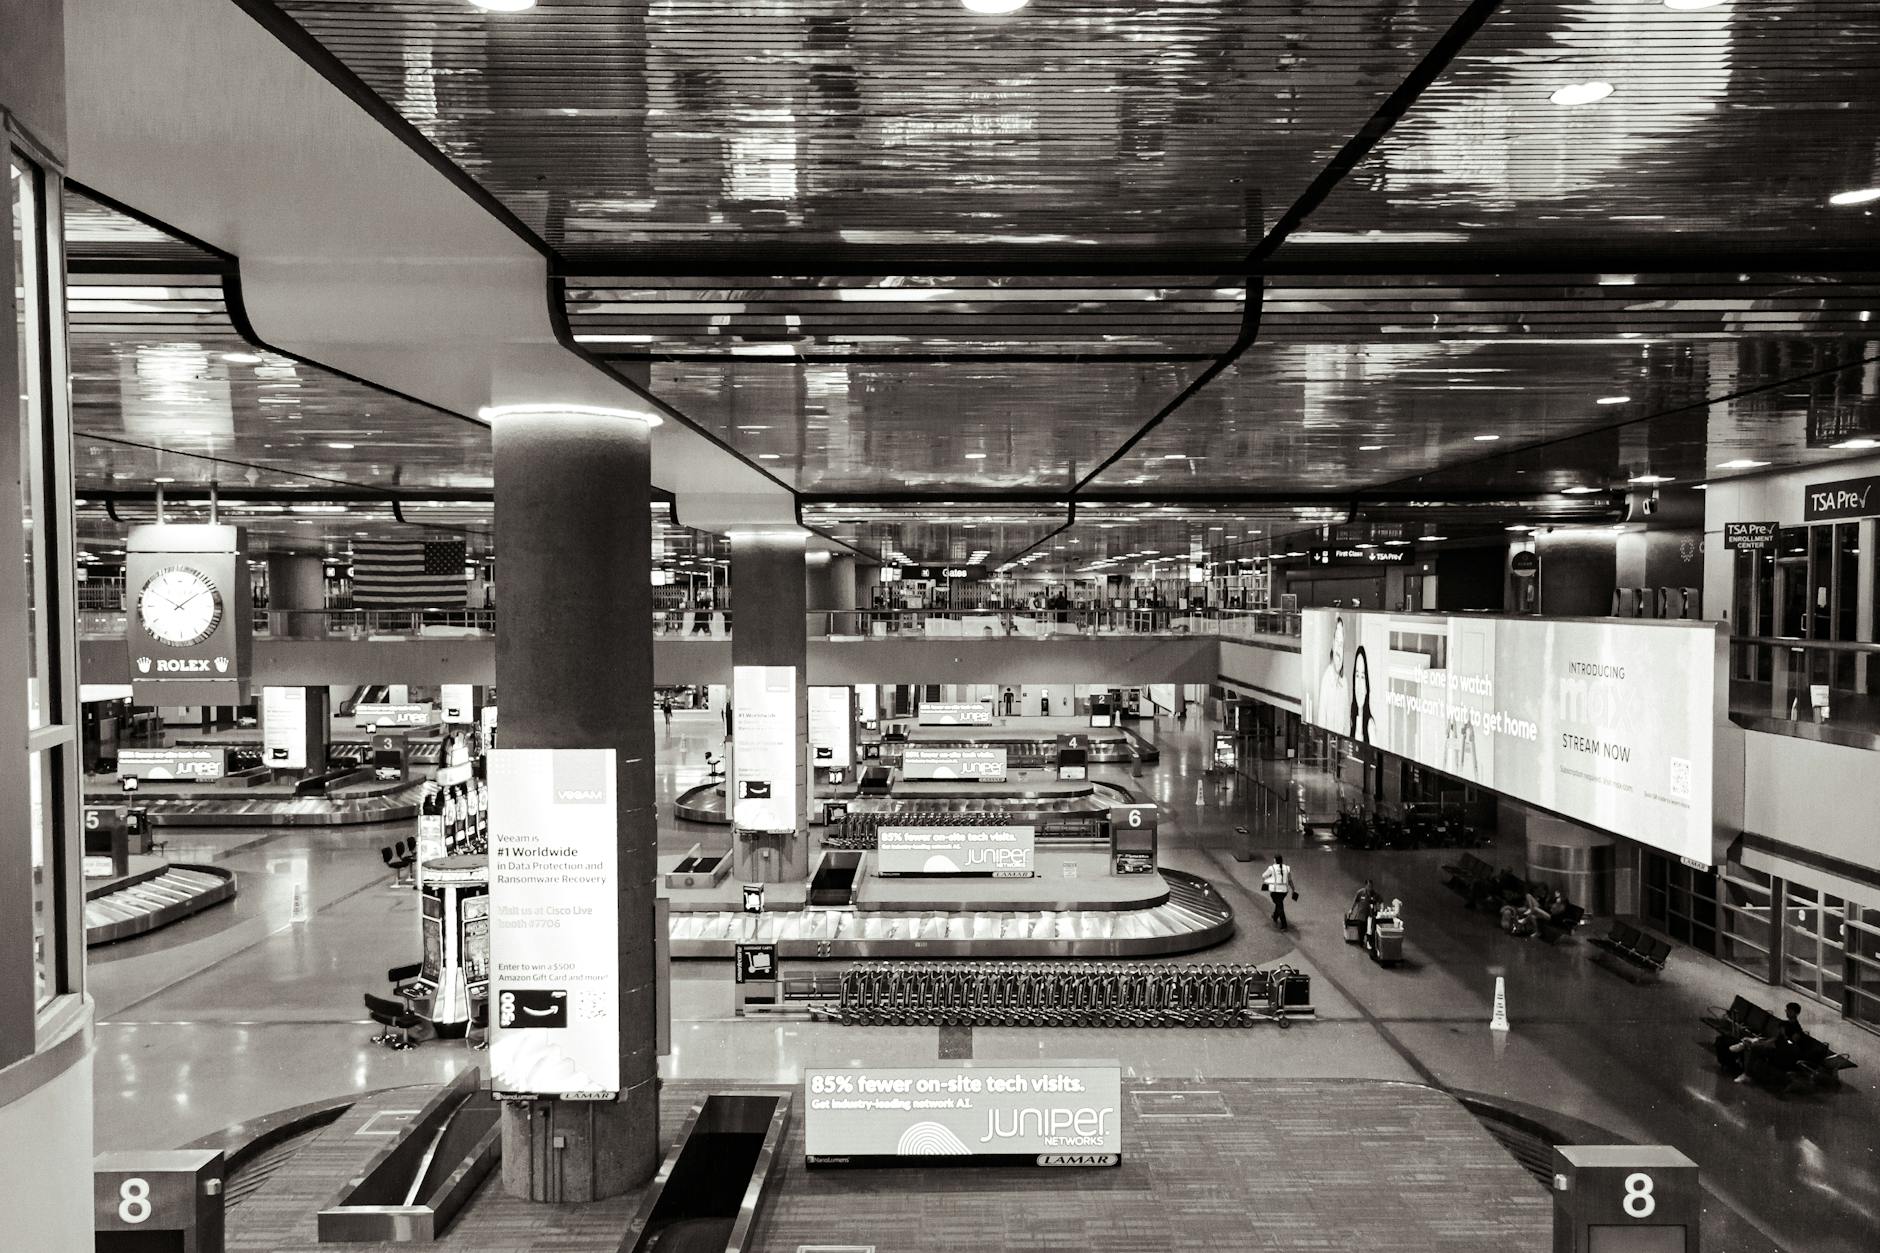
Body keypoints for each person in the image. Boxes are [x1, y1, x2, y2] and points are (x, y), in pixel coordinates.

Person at [1736, 1002, 1807, 1086]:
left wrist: (1785, 1036)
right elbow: (1775, 1038)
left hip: (1782, 1053)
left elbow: (1791, 1044)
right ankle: (1743, 1051)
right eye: (1787, 1010)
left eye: (1789, 1011)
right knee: (1756, 1044)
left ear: (1796, 1013)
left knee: (1756, 1048)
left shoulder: (1797, 1029)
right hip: (1775, 1047)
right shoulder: (1783, 1023)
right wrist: (1764, 1042)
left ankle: (1747, 1074)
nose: (1787, 1012)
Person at [1311, 614, 1349, 731]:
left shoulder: (1344, 681)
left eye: (1341, 643)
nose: (1339, 648)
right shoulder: (1327, 679)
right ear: (1332, 644)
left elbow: (1346, 724)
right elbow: (1322, 723)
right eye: (1337, 641)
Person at [1261, 855, 1297, 931]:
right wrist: (1293, 889)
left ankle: (1284, 925)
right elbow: (1290, 880)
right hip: (1284, 891)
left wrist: (1270, 878)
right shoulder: (1287, 868)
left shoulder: (1271, 868)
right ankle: (1275, 916)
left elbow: (1263, 876)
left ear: (1274, 860)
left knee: (1280, 906)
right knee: (1279, 903)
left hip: (1274, 891)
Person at [1348, 645, 1375, 745]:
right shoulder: (1350, 718)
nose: (1359, 684)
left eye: (1363, 677)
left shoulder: (1370, 725)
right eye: (1357, 675)